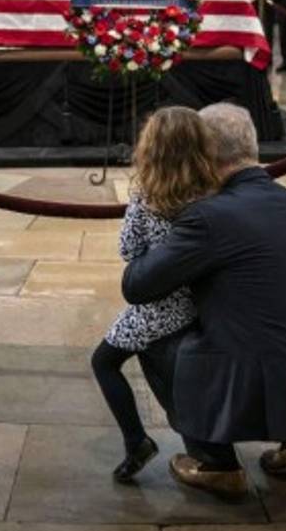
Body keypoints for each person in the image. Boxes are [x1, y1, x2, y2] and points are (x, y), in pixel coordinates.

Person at [123, 103, 286, 498]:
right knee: (275, 324)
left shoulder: (210, 217)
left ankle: (215, 462)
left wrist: (145, 210)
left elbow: (138, 286)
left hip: (250, 373)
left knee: (150, 334)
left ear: (204, 152)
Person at [92, 107, 220, 483]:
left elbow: (130, 252)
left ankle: (136, 441)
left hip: (159, 306)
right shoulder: (214, 193)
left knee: (104, 362)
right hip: (201, 299)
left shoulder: (147, 197)